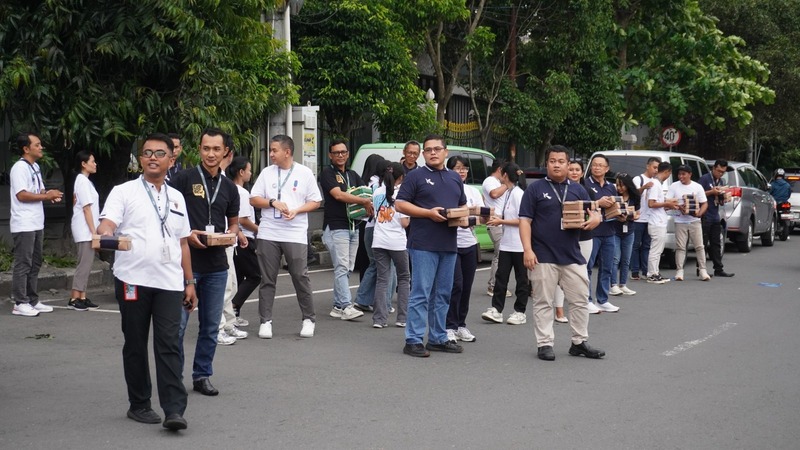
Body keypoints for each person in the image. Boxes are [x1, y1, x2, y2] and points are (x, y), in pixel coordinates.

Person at [97, 132, 197, 430]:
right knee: (136, 343)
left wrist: (189, 282)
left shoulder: (176, 197)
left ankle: (174, 410)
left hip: (169, 282)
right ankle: (139, 404)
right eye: (147, 153)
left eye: (160, 153)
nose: (153, 158)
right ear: (141, 159)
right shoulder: (123, 191)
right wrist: (106, 232)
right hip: (132, 280)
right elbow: (107, 223)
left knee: (169, 344)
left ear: (171, 160)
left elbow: (182, 243)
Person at [169, 127, 241, 396]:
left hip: (216, 266)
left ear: (226, 152)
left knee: (210, 327)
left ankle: (202, 375)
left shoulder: (230, 188)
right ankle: (174, 377)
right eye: (206, 148)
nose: (211, 154)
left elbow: (233, 223)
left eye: (216, 149)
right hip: (185, 265)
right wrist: (188, 234)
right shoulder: (183, 180)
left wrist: (230, 235)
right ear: (199, 150)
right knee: (178, 327)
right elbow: (168, 217)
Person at [519, 145, 605, 361]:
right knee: (543, 301)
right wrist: (527, 250)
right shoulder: (534, 189)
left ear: (568, 164)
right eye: (552, 161)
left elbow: (594, 212)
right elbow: (525, 221)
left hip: (572, 255)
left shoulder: (578, 189)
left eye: (561, 161)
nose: (556, 165)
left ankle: (579, 342)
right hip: (542, 254)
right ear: (546, 164)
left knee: (580, 299)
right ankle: (544, 344)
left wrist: (596, 218)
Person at [396, 134, 466, 357]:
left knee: (443, 293)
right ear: (424, 154)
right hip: (423, 243)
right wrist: (428, 213)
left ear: (446, 152)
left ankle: (438, 337)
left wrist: (468, 219)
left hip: (449, 244)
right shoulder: (415, 176)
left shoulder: (454, 178)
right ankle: (413, 340)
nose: (433, 153)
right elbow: (400, 204)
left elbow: (462, 207)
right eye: (428, 150)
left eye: (437, 149)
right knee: (421, 293)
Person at [250, 135, 322, 338]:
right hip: (269, 231)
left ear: (287, 152)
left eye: (274, 150)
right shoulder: (267, 172)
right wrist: (272, 202)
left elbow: (315, 201)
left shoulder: (304, 173)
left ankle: (308, 319)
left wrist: (297, 210)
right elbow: (254, 198)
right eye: (270, 150)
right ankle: (265, 321)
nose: (271, 154)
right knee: (267, 279)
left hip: (295, 232)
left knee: (300, 276)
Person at [319, 140, 373, 321]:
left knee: (347, 268)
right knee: (342, 267)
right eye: (336, 153)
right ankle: (346, 305)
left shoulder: (352, 174)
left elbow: (365, 192)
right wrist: (363, 201)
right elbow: (338, 195)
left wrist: (367, 200)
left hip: (353, 226)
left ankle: (337, 306)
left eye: (343, 152)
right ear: (330, 155)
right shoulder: (327, 173)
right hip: (336, 226)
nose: (340, 155)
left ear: (348, 154)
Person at [9, 132, 61, 317]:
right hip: (24, 223)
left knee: (35, 262)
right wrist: (46, 196)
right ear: (26, 148)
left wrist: (49, 194)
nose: (41, 148)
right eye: (37, 145)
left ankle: (32, 300)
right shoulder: (19, 168)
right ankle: (20, 302)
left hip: (37, 222)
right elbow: (22, 195)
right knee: (24, 263)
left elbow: (38, 191)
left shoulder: (35, 166)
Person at [480, 162, 530, 325]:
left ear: (505, 175)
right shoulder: (508, 192)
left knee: (521, 279)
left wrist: (501, 221)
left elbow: (524, 220)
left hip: (519, 244)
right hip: (506, 244)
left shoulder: (518, 194)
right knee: (501, 277)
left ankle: (520, 311)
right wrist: (497, 218)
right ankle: (496, 309)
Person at [553, 160, 596, 321]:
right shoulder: (557, 189)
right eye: (571, 169)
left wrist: (594, 219)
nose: (574, 172)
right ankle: (559, 310)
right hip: (563, 236)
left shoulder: (587, 191)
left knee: (581, 273)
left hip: (584, 236)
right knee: (560, 274)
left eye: (577, 170)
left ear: (582, 172)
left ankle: (581, 306)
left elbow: (595, 212)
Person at [446, 156, 482, 341]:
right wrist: (463, 218)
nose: (462, 171)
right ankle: (449, 326)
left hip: (470, 243)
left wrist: (470, 219)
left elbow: (482, 215)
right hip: (451, 244)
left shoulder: (473, 191)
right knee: (456, 285)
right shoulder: (445, 189)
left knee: (466, 287)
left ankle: (461, 325)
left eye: (465, 168)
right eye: (458, 168)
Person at [371, 162, 410, 329]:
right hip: (397, 242)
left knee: (382, 279)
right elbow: (405, 222)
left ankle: (379, 319)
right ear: (401, 177)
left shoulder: (376, 192)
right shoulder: (403, 194)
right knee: (404, 278)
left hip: (378, 240)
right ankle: (402, 318)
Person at [354, 155, 394, 313]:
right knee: (386, 266)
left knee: (375, 265)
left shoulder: (368, 183)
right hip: (379, 229)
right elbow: (382, 211)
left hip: (369, 227)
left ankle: (363, 299)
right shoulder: (379, 186)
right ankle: (384, 303)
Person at [216, 134, 244, 344]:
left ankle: (228, 323)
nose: (213, 155)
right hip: (216, 240)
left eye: (218, 149)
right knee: (223, 286)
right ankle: (216, 327)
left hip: (228, 239)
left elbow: (233, 216)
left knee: (232, 285)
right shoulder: (208, 180)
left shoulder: (225, 181)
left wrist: (238, 232)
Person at [584, 154, 620, 313]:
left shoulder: (611, 187)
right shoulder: (585, 184)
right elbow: (582, 205)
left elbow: (614, 207)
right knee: (588, 267)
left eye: (600, 165)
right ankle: (586, 300)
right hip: (592, 232)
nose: (596, 168)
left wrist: (620, 213)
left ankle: (603, 300)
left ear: (607, 168)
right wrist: (598, 203)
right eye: (594, 165)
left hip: (610, 231)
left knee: (607, 267)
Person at [227, 156, 260, 327]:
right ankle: (233, 306)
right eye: (249, 170)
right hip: (244, 237)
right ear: (241, 172)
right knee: (255, 275)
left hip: (236, 238)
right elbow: (243, 219)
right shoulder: (242, 192)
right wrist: (259, 229)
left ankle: (233, 313)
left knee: (238, 277)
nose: (250, 173)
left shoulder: (229, 188)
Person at [68, 150, 101, 311]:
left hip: (87, 228)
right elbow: (86, 209)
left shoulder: (85, 181)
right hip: (84, 228)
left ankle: (82, 296)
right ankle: (74, 297)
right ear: (83, 164)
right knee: (84, 264)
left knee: (87, 263)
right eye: (92, 161)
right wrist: (94, 231)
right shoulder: (82, 181)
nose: (95, 164)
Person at [667, 165, 710, 281]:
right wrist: (679, 206)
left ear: (690, 174)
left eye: (683, 174)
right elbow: (668, 201)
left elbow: (704, 203)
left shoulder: (697, 186)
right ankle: (679, 271)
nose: (681, 176)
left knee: (699, 246)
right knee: (680, 247)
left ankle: (703, 270)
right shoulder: (674, 186)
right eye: (679, 174)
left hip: (695, 221)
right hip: (680, 221)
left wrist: (699, 213)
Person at [481, 159, 511, 298]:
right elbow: (494, 194)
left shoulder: (498, 182)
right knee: (499, 255)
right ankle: (493, 286)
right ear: (500, 169)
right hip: (495, 222)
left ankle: (497, 285)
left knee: (502, 255)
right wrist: (507, 184)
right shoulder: (490, 181)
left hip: (501, 221)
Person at [699, 160, 734, 277]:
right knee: (703, 244)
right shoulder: (705, 179)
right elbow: (698, 194)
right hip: (705, 215)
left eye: (723, 172)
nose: (720, 173)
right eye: (719, 171)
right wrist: (711, 192)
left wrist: (723, 197)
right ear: (713, 168)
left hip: (715, 215)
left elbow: (719, 200)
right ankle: (701, 269)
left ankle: (718, 268)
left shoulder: (721, 181)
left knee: (716, 243)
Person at [645, 162, 678, 284]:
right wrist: (667, 203)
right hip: (656, 222)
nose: (668, 176)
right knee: (655, 250)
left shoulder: (656, 184)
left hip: (659, 220)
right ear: (667, 172)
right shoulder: (655, 184)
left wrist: (667, 205)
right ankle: (651, 274)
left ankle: (655, 272)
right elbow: (651, 203)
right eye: (669, 173)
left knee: (658, 250)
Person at [609, 173, 639, 297]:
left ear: (628, 185)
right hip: (615, 230)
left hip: (629, 230)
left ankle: (623, 284)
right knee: (615, 258)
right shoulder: (614, 196)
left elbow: (638, 213)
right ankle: (613, 285)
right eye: (617, 185)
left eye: (622, 185)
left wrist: (631, 216)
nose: (619, 188)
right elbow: (609, 212)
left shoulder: (634, 198)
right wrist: (617, 216)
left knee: (626, 259)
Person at [630, 157, 660, 280]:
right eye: (654, 167)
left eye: (658, 168)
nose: (656, 170)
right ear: (648, 166)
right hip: (638, 218)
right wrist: (644, 187)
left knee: (647, 246)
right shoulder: (638, 179)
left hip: (650, 218)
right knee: (636, 245)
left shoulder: (656, 182)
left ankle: (646, 271)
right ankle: (635, 271)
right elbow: (634, 193)